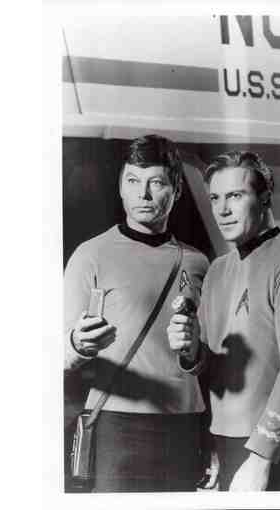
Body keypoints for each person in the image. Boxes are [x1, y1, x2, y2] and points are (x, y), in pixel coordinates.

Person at [167, 151, 280, 491]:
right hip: (224, 443)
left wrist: (261, 458)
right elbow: (210, 365)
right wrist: (190, 349)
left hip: (269, 450)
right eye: (215, 198)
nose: (222, 210)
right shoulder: (218, 269)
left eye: (235, 196)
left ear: (264, 197)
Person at [63, 134, 210, 492]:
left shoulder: (198, 262)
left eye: (156, 183)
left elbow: (210, 360)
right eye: (133, 181)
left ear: (176, 189)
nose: (143, 194)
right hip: (117, 424)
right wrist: (78, 344)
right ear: (120, 187)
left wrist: (194, 353)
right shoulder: (90, 255)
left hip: (185, 424)